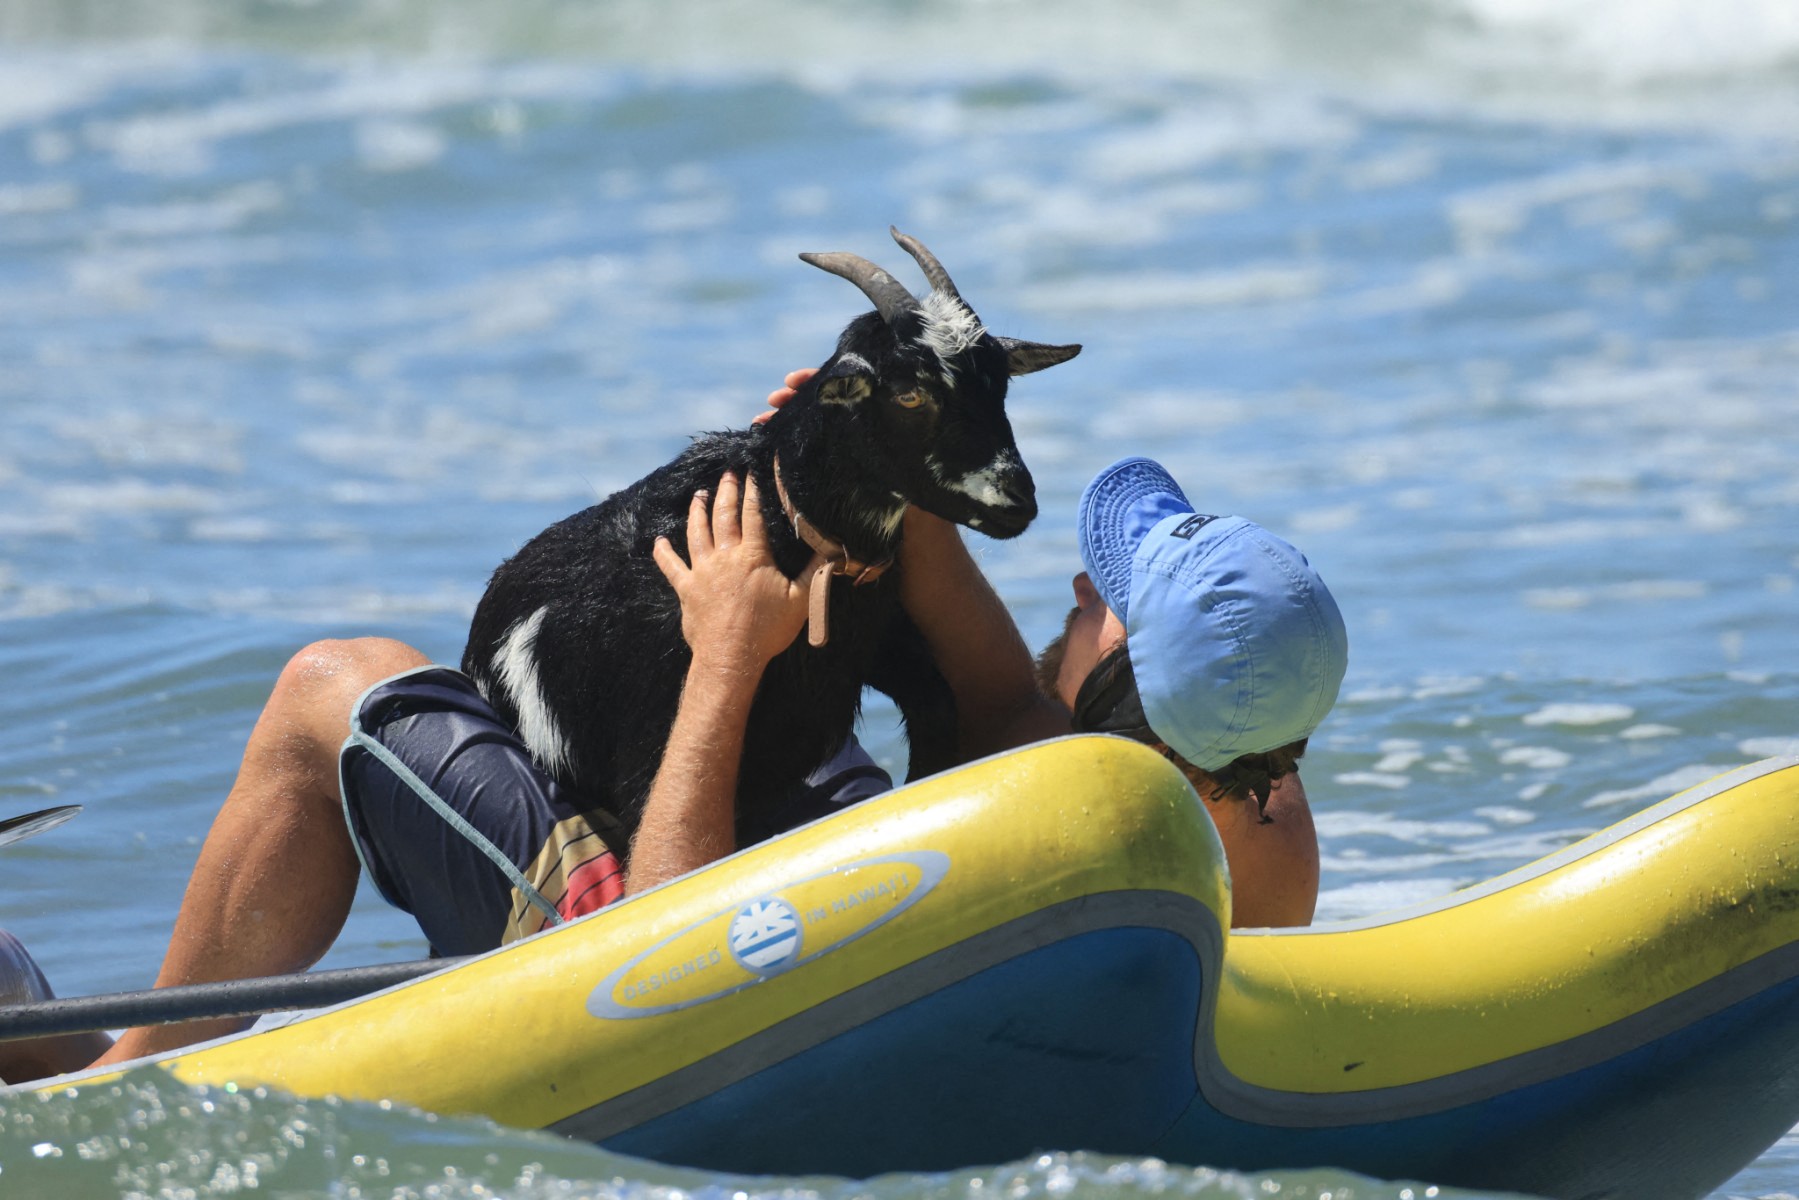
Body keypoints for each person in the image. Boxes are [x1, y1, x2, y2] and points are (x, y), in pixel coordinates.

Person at [51, 382, 1343, 1075]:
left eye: (1106, 603)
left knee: (333, 683)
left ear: (1126, 682)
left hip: (659, 966)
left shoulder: (1061, 804)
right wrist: (893, 496)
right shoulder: (1258, 825)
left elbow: (670, 953)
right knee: (833, 680)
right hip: (864, 943)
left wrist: (727, 657)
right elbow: (1003, 707)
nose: (1077, 588)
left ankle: (128, 1070)